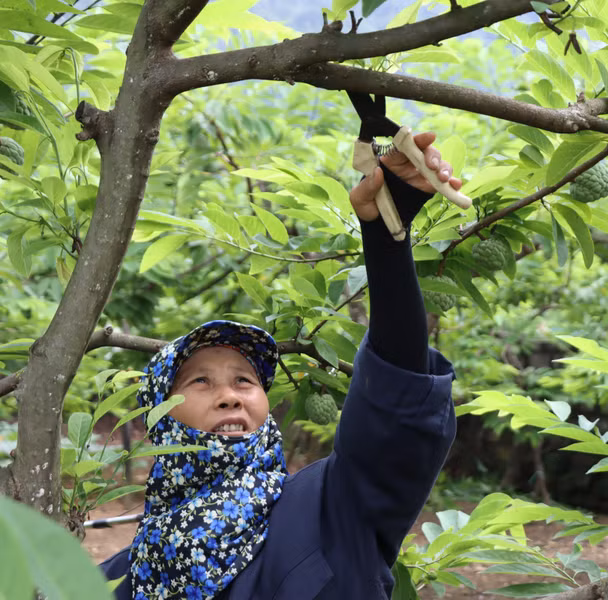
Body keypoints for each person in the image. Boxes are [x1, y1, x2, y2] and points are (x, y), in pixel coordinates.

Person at [100, 132, 463, 599]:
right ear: (158, 418)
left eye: (244, 380)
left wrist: (388, 241)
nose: (230, 394)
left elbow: (398, 395)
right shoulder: (122, 576)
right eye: (200, 381)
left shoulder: (330, 503)